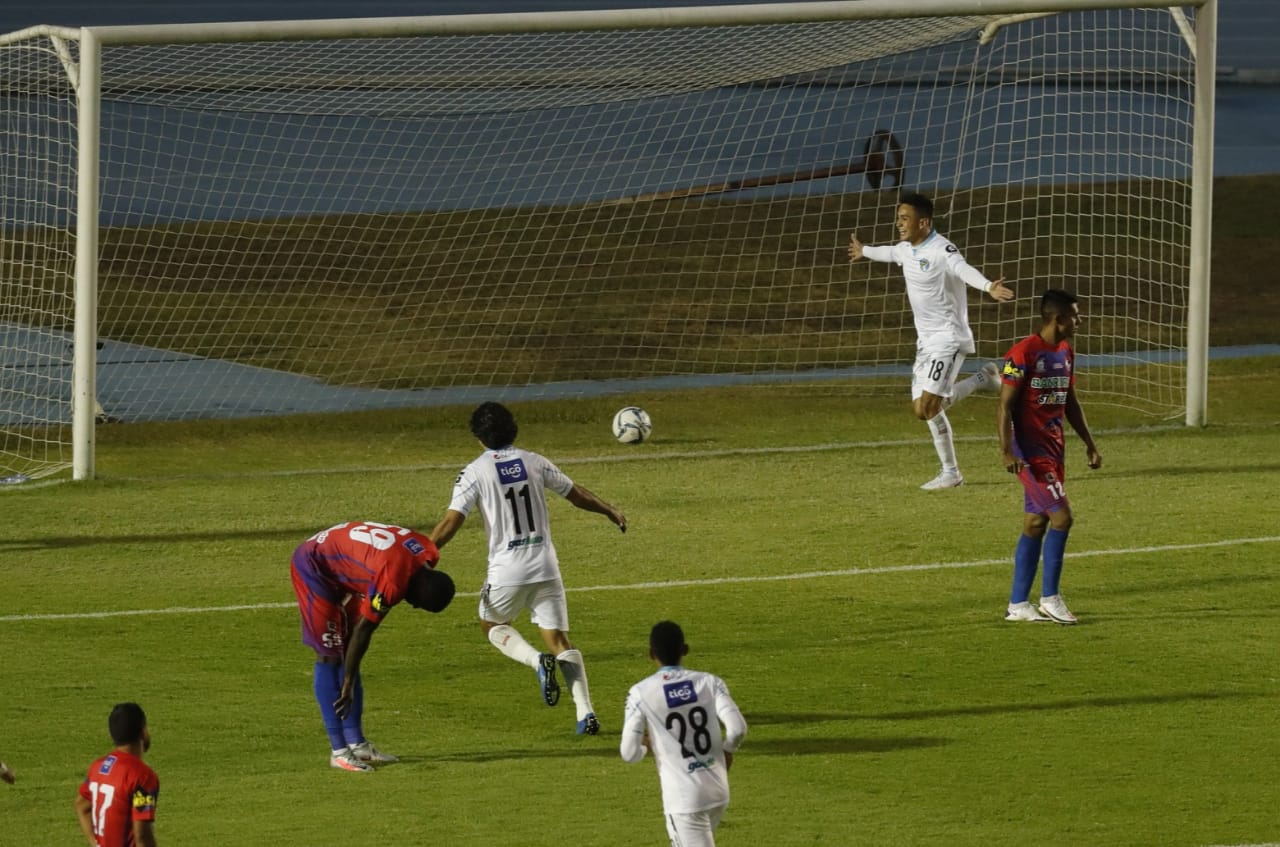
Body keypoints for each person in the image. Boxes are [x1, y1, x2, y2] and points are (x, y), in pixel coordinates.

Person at [429, 401, 626, 736]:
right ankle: (586, 714)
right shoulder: (535, 462)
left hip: (507, 570)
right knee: (558, 638)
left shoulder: (475, 471)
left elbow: (452, 521)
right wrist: (609, 510)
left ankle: (536, 662)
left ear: (478, 437)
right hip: (546, 566)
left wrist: (423, 553)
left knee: (490, 623)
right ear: (513, 428)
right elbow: (575, 494)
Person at [848, 191, 1016, 489]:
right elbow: (889, 252)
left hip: (949, 339)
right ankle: (984, 378)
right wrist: (865, 250)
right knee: (921, 409)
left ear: (923, 222)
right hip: (925, 342)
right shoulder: (905, 249)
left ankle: (951, 473)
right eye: (898, 218)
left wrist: (988, 285)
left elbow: (962, 270)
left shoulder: (943, 249)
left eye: (905, 219)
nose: (899, 224)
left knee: (929, 407)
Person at [290, 520, 456, 772]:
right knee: (330, 656)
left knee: (347, 653)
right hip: (316, 566)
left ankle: (358, 745)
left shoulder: (427, 551)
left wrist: (349, 675)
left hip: (351, 566)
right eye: (418, 603)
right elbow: (365, 630)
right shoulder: (392, 580)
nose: (411, 606)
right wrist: (347, 683)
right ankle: (339, 752)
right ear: (421, 588)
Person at [997, 288, 1102, 624]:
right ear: (1059, 318)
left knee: (1036, 522)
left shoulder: (1065, 352)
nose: (1080, 320)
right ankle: (1050, 598)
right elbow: (1005, 405)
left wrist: (1089, 442)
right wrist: (1006, 451)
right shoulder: (1023, 354)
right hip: (1030, 454)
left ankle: (1018, 605)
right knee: (1062, 518)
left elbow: (1069, 400)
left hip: (1054, 451)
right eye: (1075, 314)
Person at [620, 621, 747, 847]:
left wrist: (647, 746)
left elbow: (629, 753)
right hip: (718, 791)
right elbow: (738, 729)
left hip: (684, 800)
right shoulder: (710, 682)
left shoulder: (641, 692)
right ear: (684, 650)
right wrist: (728, 750)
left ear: (651, 654)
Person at [74, 702, 160, 847]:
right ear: (143, 731)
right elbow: (142, 836)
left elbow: (81, 806)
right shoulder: (142, 776)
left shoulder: (98, 767)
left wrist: (96, 844)